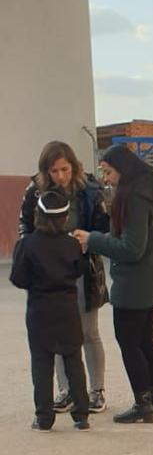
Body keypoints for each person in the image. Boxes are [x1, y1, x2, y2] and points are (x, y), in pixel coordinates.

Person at [76, 146, 153, 424]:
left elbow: (131, 248)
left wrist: (92, 239)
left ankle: (143, 403)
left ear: (123, 169)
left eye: (108, 172)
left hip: (135, 285)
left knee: (130, 343)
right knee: (146, 340)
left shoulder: (133, 198)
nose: (105, 178)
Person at [18, 141, 110, 412]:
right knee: (54, 333)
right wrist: (32, 249)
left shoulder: (90, 190)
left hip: (82, 266)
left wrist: (89, 239)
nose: (60, 176)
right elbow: (24, 223)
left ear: (74, 166)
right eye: (54, 171)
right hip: (47, 270)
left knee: (88, 331)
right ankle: (66, 390)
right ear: (46, 171)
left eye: (64, 169)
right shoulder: (35, 190)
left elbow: (104, 228)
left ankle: (96, 390)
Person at [10, 184, 90, 429]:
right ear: (66, 217)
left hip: (39, 310)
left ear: (38, 216)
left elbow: (18, 278)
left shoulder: (27, 244)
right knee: (74, 360)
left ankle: (44, 417)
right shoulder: (72, 244)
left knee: (41, 363)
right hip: (67, 309)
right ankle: (82, 415)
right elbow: (81, 270)